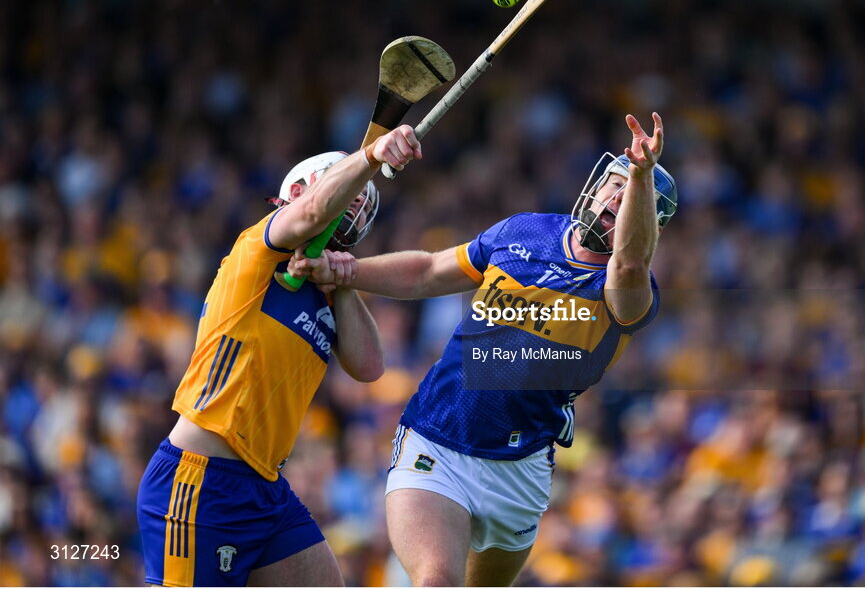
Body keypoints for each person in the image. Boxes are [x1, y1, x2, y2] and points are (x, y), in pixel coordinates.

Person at [291, 112, 676, 586]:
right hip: (436, 439)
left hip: (521, 470)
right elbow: (428, 271)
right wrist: (345, 271)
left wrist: (641, 175)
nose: (617, 198)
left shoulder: (633, 294)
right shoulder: (525, 232)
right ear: (595, 186)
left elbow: (631, 260)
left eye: (635, 196)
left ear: (651, 223)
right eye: (613, 184)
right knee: (437, 580)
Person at [136, 126, 421, 587]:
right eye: (342, 189)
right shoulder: (258, 247)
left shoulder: (325, 292)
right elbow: (310, 213)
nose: (352, 203)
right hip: (200, 478)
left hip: (264, 487)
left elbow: (369, 367)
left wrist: (342, 284)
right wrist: (370, 155)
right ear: (299, 190)